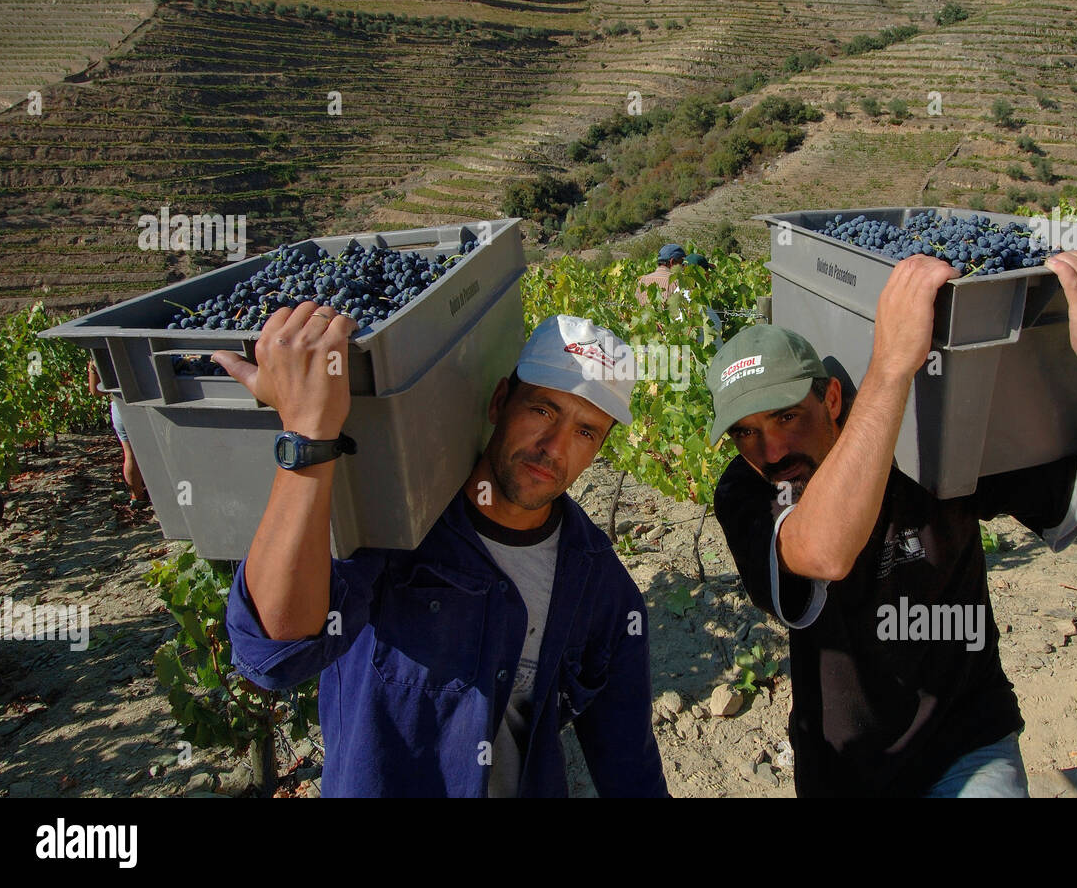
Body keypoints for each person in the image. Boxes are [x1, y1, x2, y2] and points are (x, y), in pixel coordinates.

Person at [708, 249, 1077, 797]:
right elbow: (824, 553)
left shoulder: (934, 448)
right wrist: (890, 367)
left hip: (967, 744)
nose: (770, 449)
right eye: (744, 432)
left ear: (832, 398)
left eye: (786, 416)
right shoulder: (745, 491)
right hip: (844, 768)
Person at [212, 305, 668, 797]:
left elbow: (630, 771)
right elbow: (273, 653)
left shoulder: (604, 592)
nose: (555, 447)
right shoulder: (393, 529)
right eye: (542, 410)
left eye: (585, 432)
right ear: (499, 402)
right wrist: (307, 432)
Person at [87, 357, 148, 507]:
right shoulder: (143, 348)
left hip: (120, 405)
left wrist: (93, 368)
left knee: (130, 454)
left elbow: (95, 391)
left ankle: (137, 497)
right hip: (149, 402)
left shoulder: (100, 354)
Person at [635, 243, 686, 307]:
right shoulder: (677, 282)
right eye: (682, 263)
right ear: (672, 262)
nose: (683, 267)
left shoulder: (642, 280)